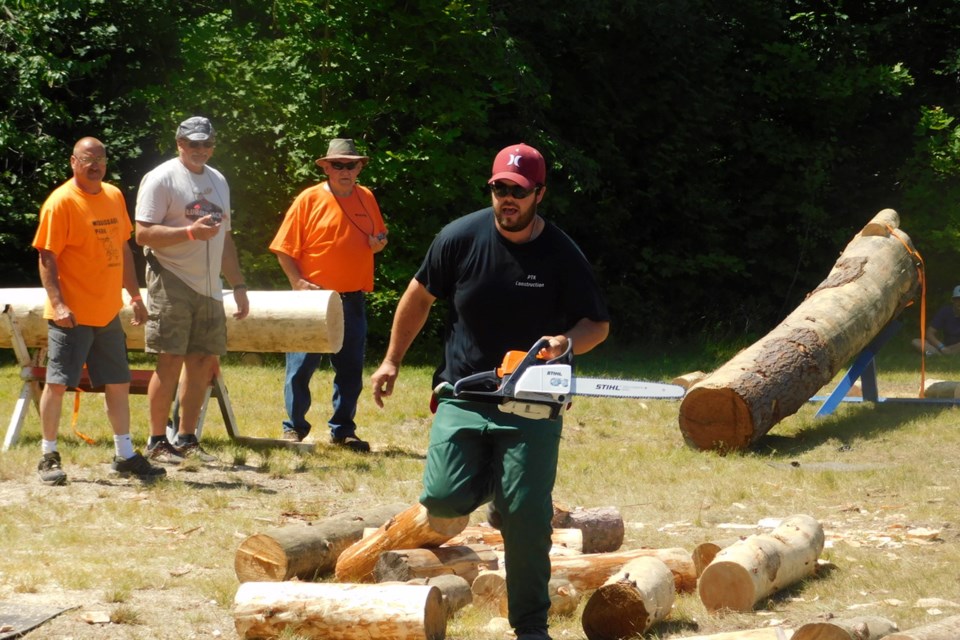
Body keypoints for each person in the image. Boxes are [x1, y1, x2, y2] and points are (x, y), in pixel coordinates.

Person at [370, 143, 610, 640]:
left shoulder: (561, 253)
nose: (508, 200)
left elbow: (597, 324)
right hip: (463, 393)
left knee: (524, 517)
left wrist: (567, 342)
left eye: (519, 192)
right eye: (500, 189)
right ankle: (499, 487)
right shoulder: (459, 238)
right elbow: (417, 297)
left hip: (534, 403)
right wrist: (392, 359)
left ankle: (530, 625)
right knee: (441, 499)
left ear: (539, 194)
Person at [32, 137, 166, 485]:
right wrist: (59, 304)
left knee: (118, 383)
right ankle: (48, 456)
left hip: (108, 313)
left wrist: (135, 297)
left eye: (101, 159)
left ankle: (124, 455)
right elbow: (46, 256)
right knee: (59, 384)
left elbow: (122, 249)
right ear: (73, 162)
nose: (95, 165)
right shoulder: (60, 203)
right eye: (88, 159)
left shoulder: (113, 195)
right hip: (71, 315)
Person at [135, 116, 250, 462]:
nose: (200, 150)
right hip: (170, 277)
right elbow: (142, 234)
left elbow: (225, 239)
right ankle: (157, 441)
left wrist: (238, 285)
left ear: (213, 145)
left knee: (202, 361)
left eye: (206, 144)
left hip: (209, 286)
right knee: (169, 360)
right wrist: (188, 233)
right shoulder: (161, 178)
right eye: (193, 144)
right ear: (179, 144)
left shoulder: (218, 181)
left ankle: (186, 439)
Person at [269, 138, 388, 452]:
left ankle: (343, 430)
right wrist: (297, 282)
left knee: (350, 369)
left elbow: (379, 235)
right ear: (326, 167)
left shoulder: (367, 198)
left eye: (351, 164)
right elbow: (283, 248)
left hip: (352, 299)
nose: (345, 170)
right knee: (300, 368)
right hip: (312, 300)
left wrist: (379, 243)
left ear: (360, 166)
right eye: (338, 165)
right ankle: (293, 428)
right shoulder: (308, 199)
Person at [913, 285, 960, 356]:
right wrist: (941, 347)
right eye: (958, 299)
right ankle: (938, 354)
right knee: (916, 342)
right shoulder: (945, 311)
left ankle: (936, 354)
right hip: (945, 346)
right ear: (952, 300)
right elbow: (929, 333)